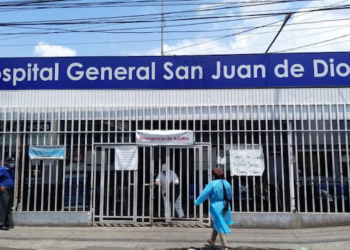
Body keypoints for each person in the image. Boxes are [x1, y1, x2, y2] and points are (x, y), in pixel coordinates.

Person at [195, 167, 235, 250]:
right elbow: (230, 195)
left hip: (216, 207)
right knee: (217, 222)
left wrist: (197, 202)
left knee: (219, 223)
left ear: (214, 175)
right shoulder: (227, 183)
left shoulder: (213, 183)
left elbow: (204, 194)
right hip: (226, 205)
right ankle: (212, 240)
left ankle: (224, 246)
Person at [0, 157, 16, 231]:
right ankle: (1, 224)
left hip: (10, 190)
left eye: (13, 162)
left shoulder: (11, 170)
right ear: (7, 163)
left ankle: (8, 222)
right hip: (4, 190)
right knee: (3, 207)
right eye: (11, 162)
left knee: (8, 207)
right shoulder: (3, 169)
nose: (12, 164)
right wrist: (0, 186)